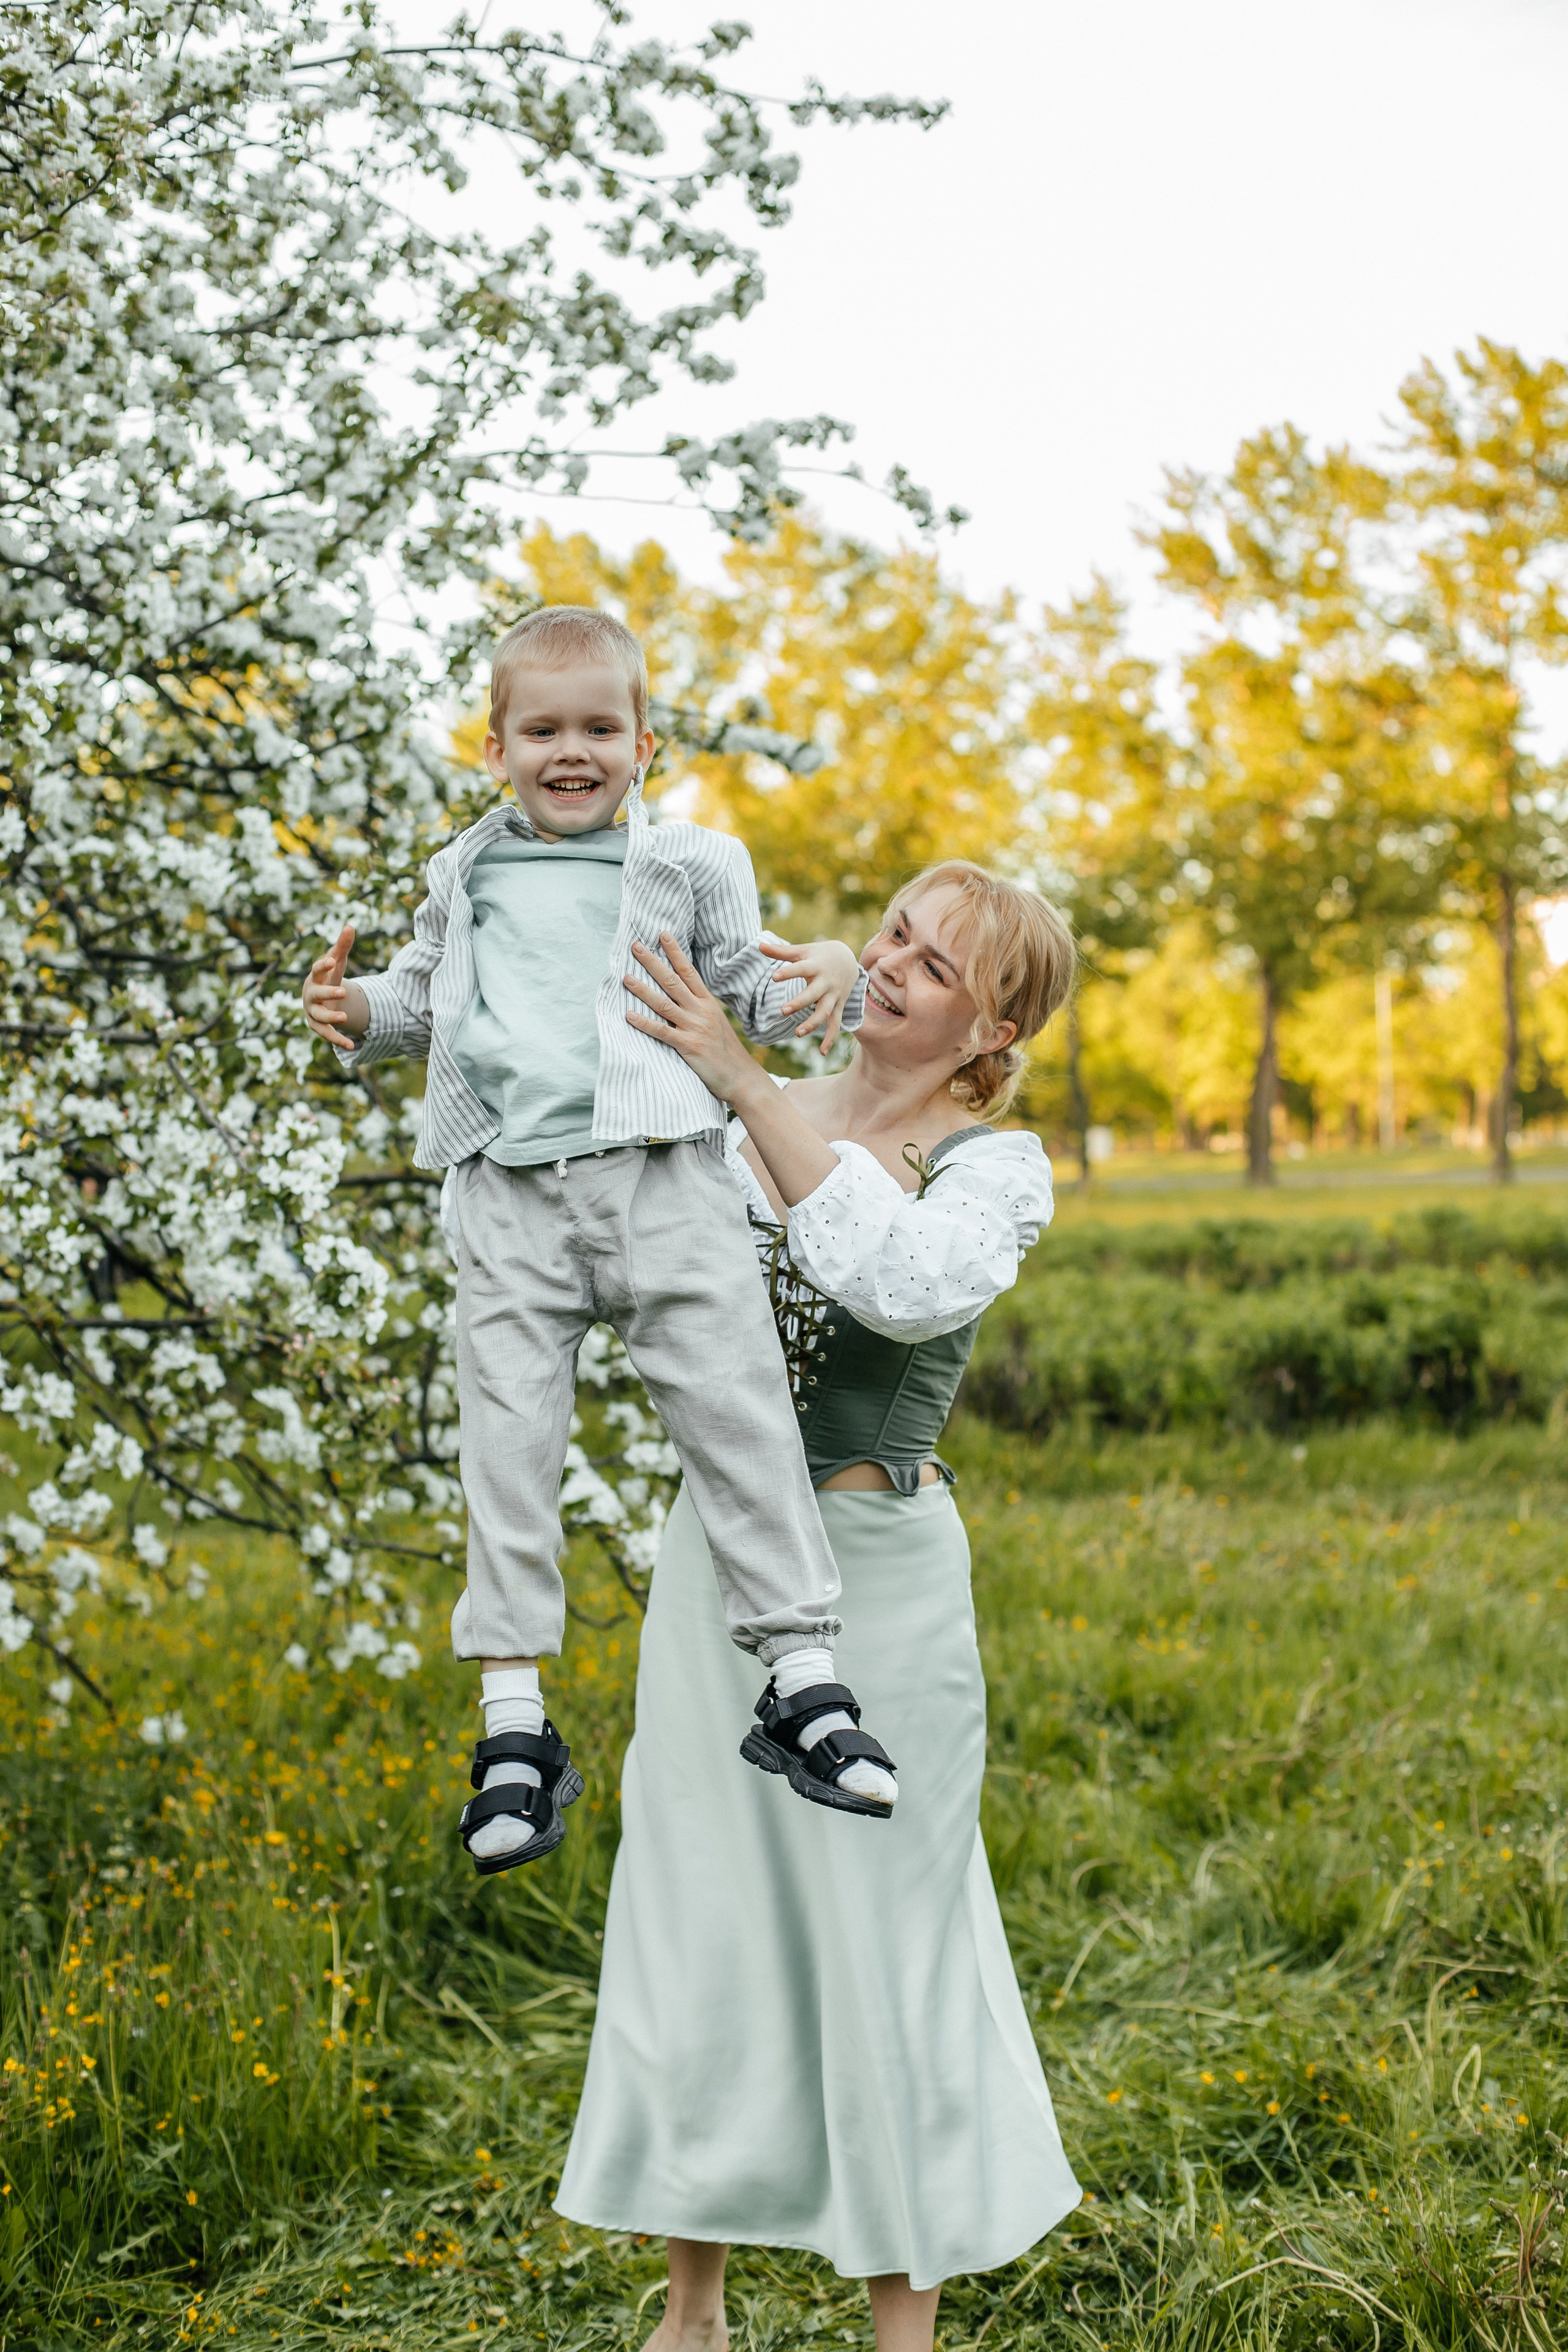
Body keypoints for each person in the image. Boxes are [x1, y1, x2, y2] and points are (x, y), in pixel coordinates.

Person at [557, 861, 1083, 2351]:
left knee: (885, 1927)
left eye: (938, 963)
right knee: (698, 1917)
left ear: (993, 1027)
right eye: (895, 935)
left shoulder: (994, 1165)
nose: (898, 964)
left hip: (883, 1583)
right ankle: (692, 2311)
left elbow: (898, 1285)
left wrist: (747, 1083)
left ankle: (897, 2328)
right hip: (718, 1566)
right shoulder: (751, 1099)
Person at [300, 605, 898, 1876]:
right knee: (506, 1442)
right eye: (542, 731)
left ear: (644, 745)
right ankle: (512, 1724)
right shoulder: (464, 871)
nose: (569, 752)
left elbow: (754, 991)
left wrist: (833, 963)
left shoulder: (691, 861)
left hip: (661, 1187)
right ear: (496, 745)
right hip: (510, 1198)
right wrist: (357, 1008)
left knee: (736, 1416)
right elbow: (422, 997)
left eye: (598, 729)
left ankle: (802, 1680)